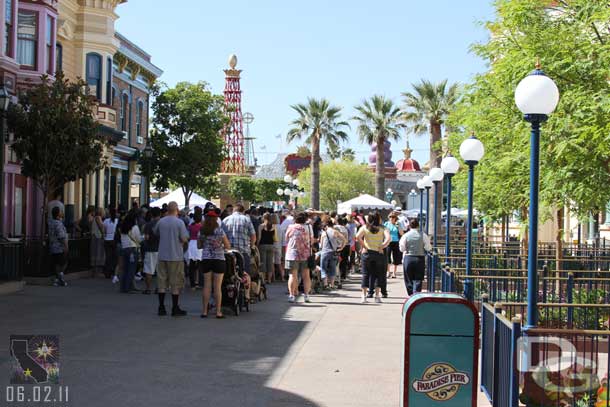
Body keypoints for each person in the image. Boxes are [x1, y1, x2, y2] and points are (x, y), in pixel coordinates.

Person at [154, 201, 189, 317]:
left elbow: (156, 233)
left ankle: (161, 307)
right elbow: (184, 239)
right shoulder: (179, 223)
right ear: (177, 210)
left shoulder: (161, 221)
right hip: (176, 256)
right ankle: (175, 307)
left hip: (162, 254)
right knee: (175, 282)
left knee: (161, 281)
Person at [198, 206, 231, 318]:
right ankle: (218, 311)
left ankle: (204, 311)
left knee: (207, 285)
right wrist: (220, 245)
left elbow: (199, 246)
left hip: (206, 258)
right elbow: (227, 246)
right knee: (217, 287)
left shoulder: (202, 231)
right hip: (218, 259)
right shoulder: (220, 231)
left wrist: (206, 243)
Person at [356, 212, 391, 303]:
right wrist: (382, 246)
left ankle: (363, 296)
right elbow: (388, 238)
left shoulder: (364, 227)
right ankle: (377, 296)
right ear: (378, 218)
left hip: (367, 253)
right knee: (378, 275)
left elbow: (357, 237)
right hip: (379, 253)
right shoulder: (383, 228)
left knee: (365, 274)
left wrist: (364, 246)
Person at [285, 212, 313, 303]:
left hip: (292, 254)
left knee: (293, 275)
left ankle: (292, 295)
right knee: (306, 276)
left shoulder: (290, 227)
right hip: (306, 254)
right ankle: (306, 295)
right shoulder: (309, 227)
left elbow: (286, 239)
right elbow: (311, 241)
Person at [399, 218, 431, 296]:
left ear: (409, 226)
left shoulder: (406, 235)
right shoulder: (423, 235)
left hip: (408, 258)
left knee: (408, 279)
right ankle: (416, 295)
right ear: (418, 226)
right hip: (419, 258)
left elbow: (402, 248)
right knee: (418, 279)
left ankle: (410, 295)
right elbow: (428, 247)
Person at [222, 204, 256, 275]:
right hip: (243, 251)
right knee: (245, 274)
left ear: (233, 210)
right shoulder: (246, 219)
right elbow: (253, 235)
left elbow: (221, 236)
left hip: (229, 252)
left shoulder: (225, 220)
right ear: (243, 211)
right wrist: (251, 246)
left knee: (229, 274)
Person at [319, 215, 347, 290]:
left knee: (323, 268)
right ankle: (331, 284)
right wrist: (341, 247)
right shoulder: (335, 232)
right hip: (333, 252)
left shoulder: (324, 233)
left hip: (325, 252)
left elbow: (321, 244)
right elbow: (344, 239)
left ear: (327, 225)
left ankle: (325, 284)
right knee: (333, 268)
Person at [119, 211, 142, 294]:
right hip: (132, 249)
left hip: (124, 249)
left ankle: (123, 287)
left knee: (125, 269)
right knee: (131, 269)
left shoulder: (123, 227)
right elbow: (138, 239)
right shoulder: (135, 227)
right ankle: (128, 287)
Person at [142, 207, 161, 295]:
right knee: (160, 270)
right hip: (161, 249)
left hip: (150, 248)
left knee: (149, 270)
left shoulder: (148, 225)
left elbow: (146, 237)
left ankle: (148, 288)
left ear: (152, 214)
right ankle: (159, 288)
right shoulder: (162, 224)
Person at [48, 206, 68, 287]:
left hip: (53, 246)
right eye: (61, 211)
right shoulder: (58, 224)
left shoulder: (51, 222)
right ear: (58, 214)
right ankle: (60, 278)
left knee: (57, 263)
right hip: (59, 247)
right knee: (63, 263)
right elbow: (61, 236)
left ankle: (57, 279)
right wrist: (66, 246)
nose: (62, 213)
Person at [257, 213, 277, 284]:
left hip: (263, 245)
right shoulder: (274, 226)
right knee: (270, 263)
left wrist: (257, 244)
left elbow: (259, 237)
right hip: (271, 245)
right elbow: (275, 238)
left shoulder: (261, 226)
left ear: (263, 218)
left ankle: (263, 280)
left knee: (263, 262)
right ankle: (269, 279)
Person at [187, 212, 204, 289]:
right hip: (198, 244)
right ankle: (199, 282)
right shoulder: (201, 227)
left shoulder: (190, 226)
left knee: (192, 264)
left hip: (191, 244)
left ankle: (192, 283)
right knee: (200, 264)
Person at [384, 213, 404, 279]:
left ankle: (394, 272)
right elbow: (383, 232)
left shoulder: (398, 224)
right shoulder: (386, 224)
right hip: (388, 241)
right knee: (387, 256)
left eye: (393, 217)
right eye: (390, 217)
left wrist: (398, 227)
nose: (391, 218)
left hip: (396, 241)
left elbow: (402, 233)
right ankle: (388, 271)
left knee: (396, 257)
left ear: (395, 218)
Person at [103, 207, 119, 279]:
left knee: (108, 257)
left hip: (107, 240)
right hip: (114, 240)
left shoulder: (106, 221)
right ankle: (114, 271)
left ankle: (107, 273)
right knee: (115, 257)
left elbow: (104, 230)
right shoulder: (117, 221)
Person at [90, 207, 106, 278]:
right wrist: (103, 234)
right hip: (98, 237)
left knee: (95, 253)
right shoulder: (98, 218)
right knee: (98, 253)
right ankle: (96, 272)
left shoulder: (95, 218)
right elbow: (101, 227)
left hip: (95, 237)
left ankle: (95, 272)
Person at [336, 216, 352, 283]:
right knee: (344, 261)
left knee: (338, 262)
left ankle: (338, 276)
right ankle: (343, 275)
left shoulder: (336, 228)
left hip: (339, 246)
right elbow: (349, 238)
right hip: (346, 246)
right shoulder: (346, 228)